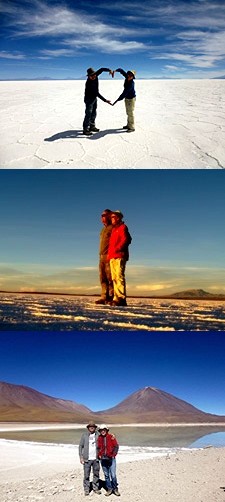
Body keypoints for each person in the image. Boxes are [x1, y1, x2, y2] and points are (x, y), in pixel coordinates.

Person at [107, 210, 132, 306]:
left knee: (119, 276)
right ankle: (116, 297)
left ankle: (121, 298)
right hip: (112, 256)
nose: (112, 219)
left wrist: (118, 249)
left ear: (118, 218)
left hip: (119, 255)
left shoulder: (123, 227)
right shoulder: (114, 229)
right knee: (114, 278)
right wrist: (110, 253)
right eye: (111, 217)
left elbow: (126, 239)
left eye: (113, 217)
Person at [83, 67, 113, 135]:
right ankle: (85, 129)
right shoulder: (89, 84)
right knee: (88, 114)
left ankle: (92, 126)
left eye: (94, 75)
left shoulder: (95, 75)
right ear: (88, 76)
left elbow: (102, 69)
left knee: (94, 113)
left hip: (94, 98)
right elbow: (97, 93)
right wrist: (105, 100)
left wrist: (109, 70)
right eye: (91, 76)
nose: (93, 76)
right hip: (89, 99)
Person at [95, 209, 114, 305]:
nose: (102, 217)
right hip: (101, 256)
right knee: (102, 277)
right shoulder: (103, 230)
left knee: (110, 277)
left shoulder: (112, 228)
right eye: (102, 215)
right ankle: (104, 296)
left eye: (105, 215)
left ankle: (111, 297)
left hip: (108, 256)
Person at [79, 421, 101, 496]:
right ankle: (86, 489)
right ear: (88, 428)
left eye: (93, 426)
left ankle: (95, 488)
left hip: (96, 459)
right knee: (86, 475)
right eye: (90, 426)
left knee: (96, 474)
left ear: (95, 428)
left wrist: (112, 436)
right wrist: (81, 457)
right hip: (87, 459)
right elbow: (80, 446)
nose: (91, 427)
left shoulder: (98, 435)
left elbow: (105, 438)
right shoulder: (84, 435)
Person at [97, 424, 120, 497]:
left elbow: (116, 446)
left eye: (104, 430)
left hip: (111, 459)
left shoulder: (111, 437)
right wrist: (99, 455)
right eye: (101, 430)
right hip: (103, 459)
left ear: (106, 430)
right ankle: (109, 489)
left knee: (113, 475)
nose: (102, 431)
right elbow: (98, 448)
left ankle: (115, 489)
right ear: (100, 431)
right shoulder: (99, 438)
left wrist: (113, 455)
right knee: (106, 475)